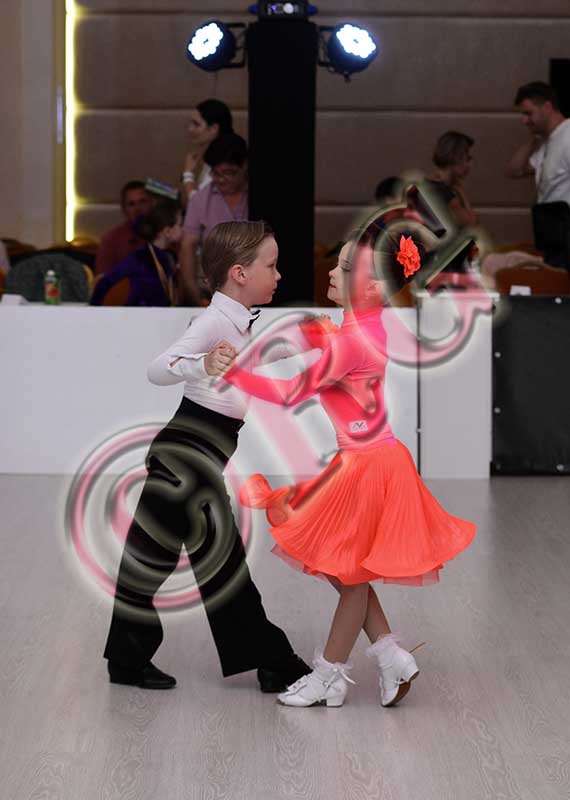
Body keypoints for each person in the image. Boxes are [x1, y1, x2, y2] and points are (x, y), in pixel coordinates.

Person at [222, 222, 476, 708]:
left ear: (374, 287)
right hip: (371, 459)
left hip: (367, 466)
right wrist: (319, 335)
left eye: (344, 268)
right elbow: (341, 346)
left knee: (349, 576)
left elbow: (292, 392)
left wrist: (235, 374)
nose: (332, 273)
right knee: (344, 569)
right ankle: (390, 656)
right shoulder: (368, 325)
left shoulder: (352, 341)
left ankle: (329, 676)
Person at [103, 220, 310, 691]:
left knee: (151, 557)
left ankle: (127, 659)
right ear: (240, 273)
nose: (279, 275)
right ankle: (272, 660)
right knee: (219, 561)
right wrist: (201, 364)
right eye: (272, 266)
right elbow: (158, 368)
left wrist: (304, 341)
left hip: (192, 454)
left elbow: (249, 360)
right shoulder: (213, 322)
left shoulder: (236, 323)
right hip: (189, 456)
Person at [179, 134, 249, 304]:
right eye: (216, 174)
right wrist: (196, 295)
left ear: (245, 166)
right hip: (212, 293)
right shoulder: (201, 200)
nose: (222, 180)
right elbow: (187, 246)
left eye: (229, 173)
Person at [90, 199, 181, 307]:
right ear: (167, 232)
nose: (184, 229)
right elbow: (105, 283)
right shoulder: (140, 259)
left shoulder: (168, 257)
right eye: (180, 225)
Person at [506, 81, 570, 205]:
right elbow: (514, 171)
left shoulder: (568, 135)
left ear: (547, 107)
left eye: (528, 113)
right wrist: (533, 139)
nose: (524, 120)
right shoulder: (546, 141)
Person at [94, 181, 154, 276]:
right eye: (131, 204)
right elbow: (102, 278)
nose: (137, 209)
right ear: (124, 209)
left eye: (142, 202)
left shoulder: (166, 234)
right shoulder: (111, 240)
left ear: (152, 204)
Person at [181, 99, 234, 203]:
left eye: (196, 124)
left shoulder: (224, 163)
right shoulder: (214, 155)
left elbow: (200, 206)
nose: (190, 129)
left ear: (214, 129)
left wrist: (188, 174)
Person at [426, 131, 477, 228]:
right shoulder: (444, 192)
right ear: (455, 157)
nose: (470, 165)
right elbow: (472, 223)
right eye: (467, 159)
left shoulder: (429, 184)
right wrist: (461, 191)